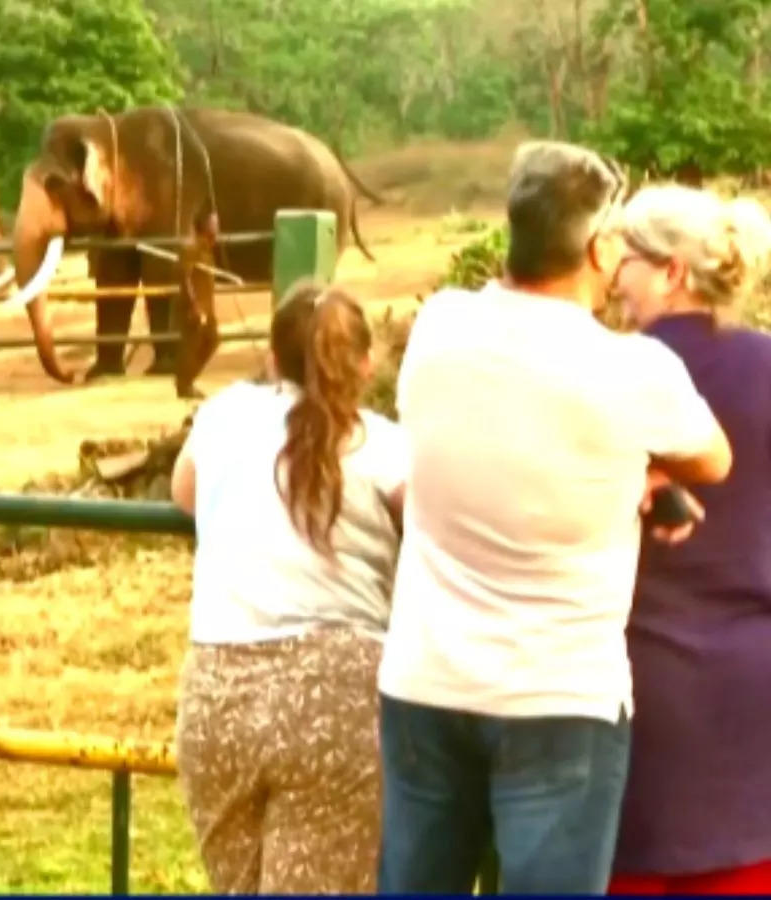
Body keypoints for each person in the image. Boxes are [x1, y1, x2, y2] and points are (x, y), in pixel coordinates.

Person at [375, 141, 733, 894]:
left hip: (427, 682)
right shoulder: (635, 372)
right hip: (560, 698)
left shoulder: (439, 327)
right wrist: (646, 469)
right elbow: (713, 460)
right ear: (601, 248)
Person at [168, 281, 406, 893]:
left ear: (273, 359)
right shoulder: (383, 445)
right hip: (336, 698)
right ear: (366, 365)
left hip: (218, 692)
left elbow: (183, 492)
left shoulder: (224, 415)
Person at [605, 186, 771, 894]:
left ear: (672, 272)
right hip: (750, 687)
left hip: (629, 688)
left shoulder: (605, 372)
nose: (613, 273)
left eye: (627, 257)